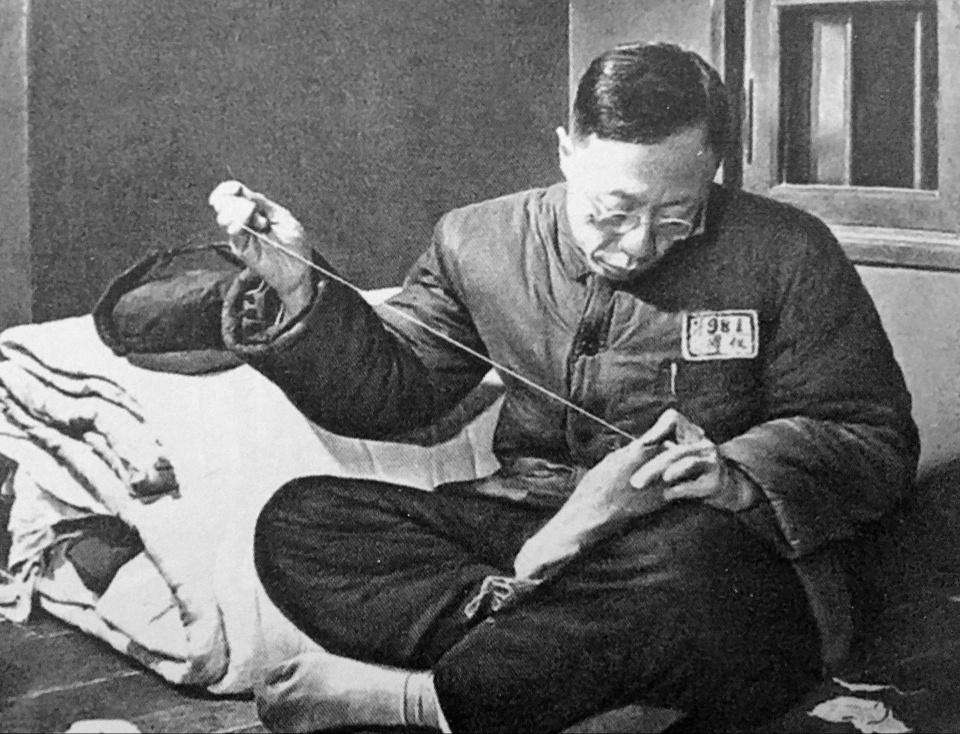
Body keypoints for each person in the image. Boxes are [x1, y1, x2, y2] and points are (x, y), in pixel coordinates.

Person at [208, 42, 919, 733]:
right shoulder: (477, 239)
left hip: (689, 545)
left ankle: (423, 701)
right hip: (534, 526)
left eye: (677, 214)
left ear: (713, 169)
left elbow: (872, 435)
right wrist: (299, 285)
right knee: (301, 524)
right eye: (613, 211)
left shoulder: (788, 250)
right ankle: (574, 677)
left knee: (693, 576)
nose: (639, 243)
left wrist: (734, 474)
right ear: (566, 152)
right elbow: (393, 391)